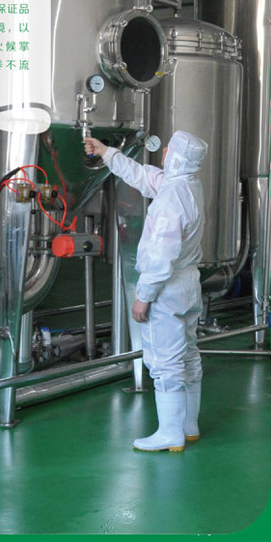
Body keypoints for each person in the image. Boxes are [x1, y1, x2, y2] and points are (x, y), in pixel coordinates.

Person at [84, 130, 208, 452]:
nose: (163, 151)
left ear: (175, 156)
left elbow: (160, 255)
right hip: (188, 285)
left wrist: (144, 296)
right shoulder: (187, 185)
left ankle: (169, 434)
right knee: (188, 355)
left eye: (169, 148)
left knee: (165, 362)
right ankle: (188, 426)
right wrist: (106, 152)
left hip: (167, 288)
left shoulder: (169, 201)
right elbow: (142, 176)